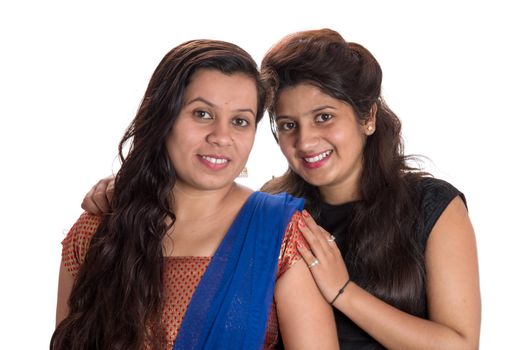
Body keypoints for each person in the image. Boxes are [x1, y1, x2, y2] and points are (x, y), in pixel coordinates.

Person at [82, 29, 481, 349]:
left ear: (368, 117)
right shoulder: (273, 208)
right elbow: (201, 202)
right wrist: (129, 189)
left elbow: (461, 344)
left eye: (324, 117)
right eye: (288, 124)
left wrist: (343, 292)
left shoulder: (432, 206)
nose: (306, 141)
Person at [52, 39, 338, 350]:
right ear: (164, 118)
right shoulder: (96, 232)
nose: (221, 137)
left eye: (240, 121)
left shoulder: (282, 235)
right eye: (202, 114)